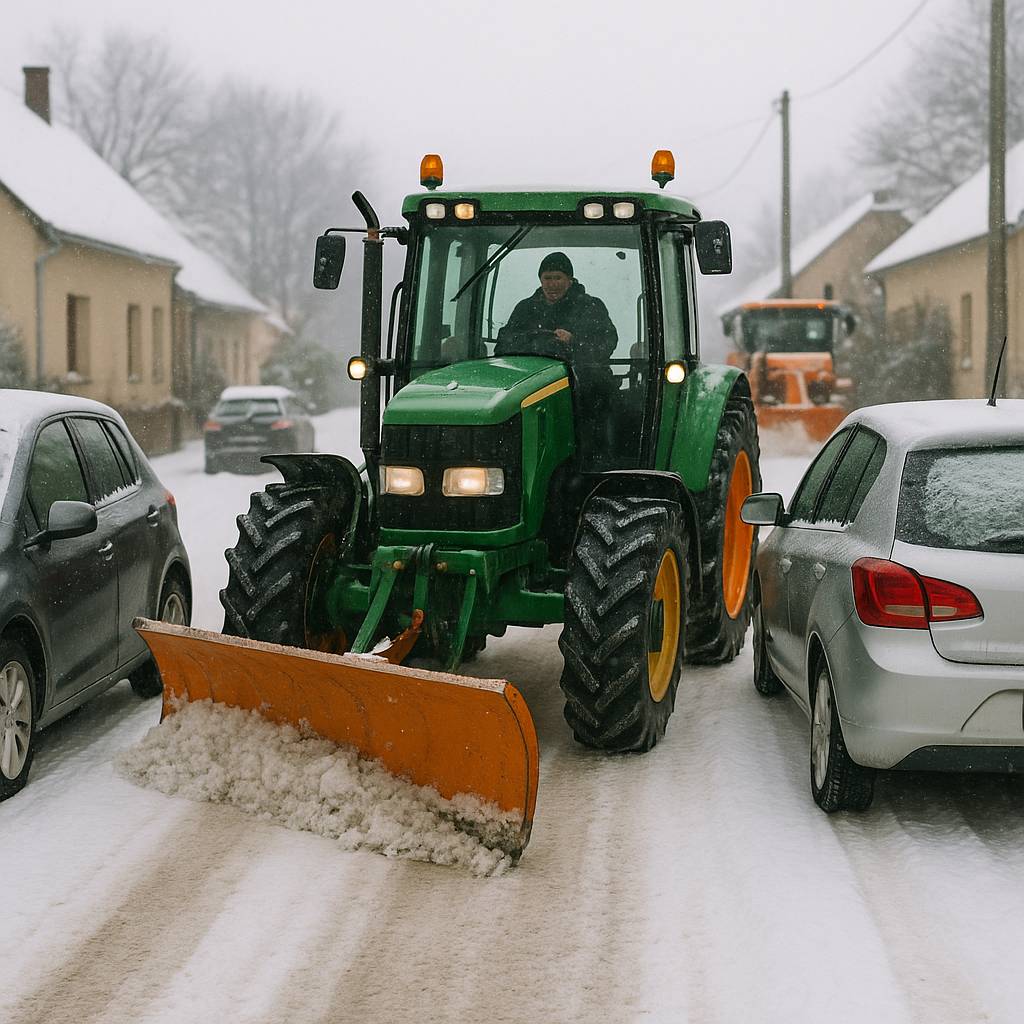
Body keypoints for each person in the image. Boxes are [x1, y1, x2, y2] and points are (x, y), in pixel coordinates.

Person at [495, 252, 618, 371]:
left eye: (558, 278)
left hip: (583, 379)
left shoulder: (591, 307)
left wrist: (572, 341)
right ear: (541, 280)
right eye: (547, 278)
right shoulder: (524, 309)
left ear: (569, 280)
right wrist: (537, 342)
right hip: (533, 378)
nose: (552, 284)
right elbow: (503, 346)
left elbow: (607, 344)